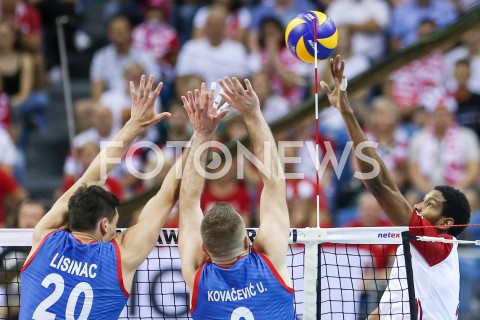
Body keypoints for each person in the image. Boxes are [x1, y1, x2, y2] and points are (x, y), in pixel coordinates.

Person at [18, 75, 184, 319]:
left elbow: (91, 178)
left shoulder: (44, 237)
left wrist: (132, 126)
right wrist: (199, 137)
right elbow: (166, 196)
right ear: (104, 224)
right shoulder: (118, 258)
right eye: (116, 227)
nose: (116, 232)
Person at [321, 56, 471, 319]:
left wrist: (348, 113)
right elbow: (382, 183)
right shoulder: (416, 249)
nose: (418, 205)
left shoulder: (438, 243)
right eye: (423, 200)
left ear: (446, 223)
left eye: (430, 204)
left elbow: (379, 186)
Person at [179, 78, 295, 319]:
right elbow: (274, 182)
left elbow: (188, 202)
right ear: (246, 241)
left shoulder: (197, 276)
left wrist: (200, 133)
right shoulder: (270, 261)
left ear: (204, 249)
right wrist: (253, 114)